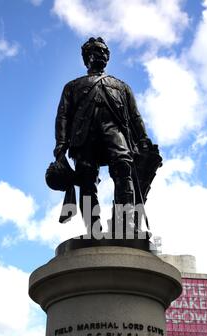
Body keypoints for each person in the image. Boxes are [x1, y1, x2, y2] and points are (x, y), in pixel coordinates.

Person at [53, 37, 152, 237]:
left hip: (115, 134)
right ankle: (93, 229)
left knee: (124, 169)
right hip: (83, 138)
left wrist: (143, 139)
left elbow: (135, 116)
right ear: (86, 58)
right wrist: (61, 144)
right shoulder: (72, 86)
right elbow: (63, 115)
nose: (102, 55)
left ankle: (126, 224)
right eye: (96, 51)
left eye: (104, 52)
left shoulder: (121, 86)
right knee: (86, 180)